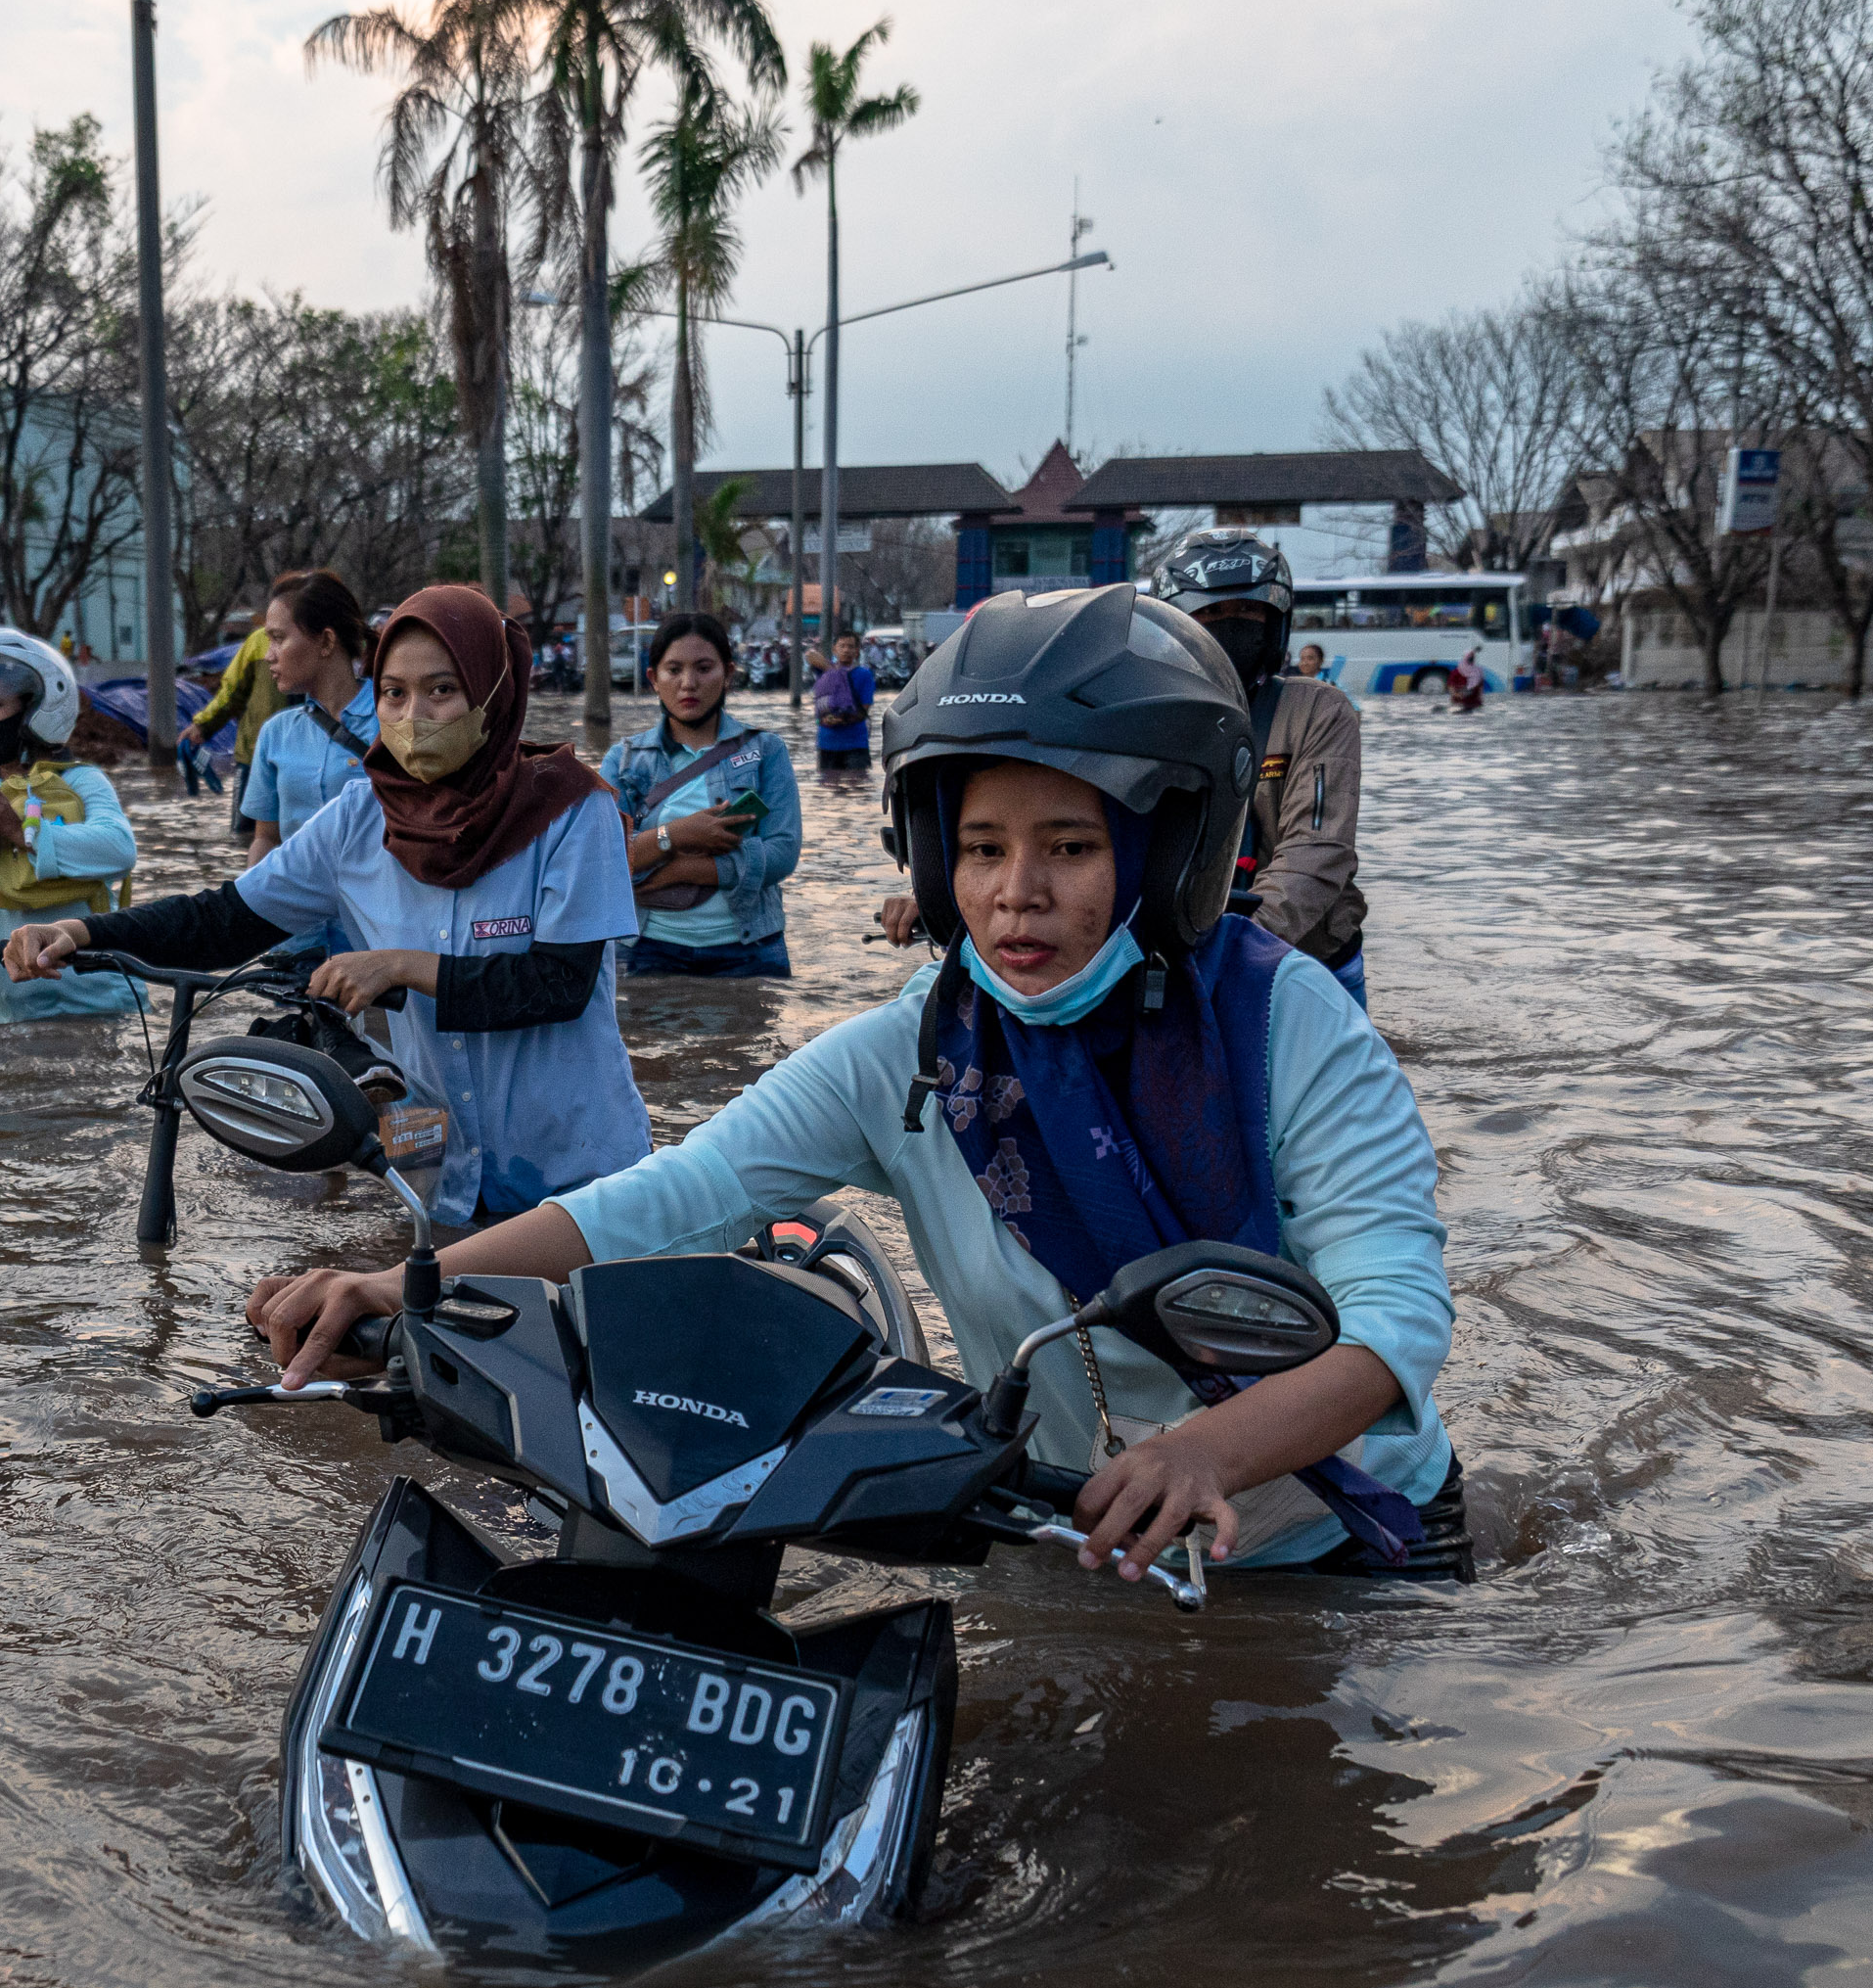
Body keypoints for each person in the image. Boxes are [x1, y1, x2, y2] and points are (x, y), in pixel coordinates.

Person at [246, 583, 1463, 1586]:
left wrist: (1211, 1450)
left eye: (1072, 849)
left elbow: (1395, 1323)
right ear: (934, 861)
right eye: (981, 849)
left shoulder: (1287, 1026)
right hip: (1068, 1525)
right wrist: (403, 1286)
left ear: (1165, 853)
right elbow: (682, 1192)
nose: (1013, 894)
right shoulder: (918, 1048)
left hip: (1338, 1544)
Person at [0, 581, 652, 1227]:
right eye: (394, 692)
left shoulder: (574, 809)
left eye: (442, 690)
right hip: (446, 1182)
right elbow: (223, 919)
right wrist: (79, 931)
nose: (412, 715)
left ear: (493, 692)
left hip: (583, 1178)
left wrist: (397, 966)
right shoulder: (359, 818)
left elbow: (557, 984)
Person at [1152, 530, 1371, 1007]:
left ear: (1275, 624)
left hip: (1309, 963)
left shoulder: (1320, 710)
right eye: (1210, 614)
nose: (1230, 626)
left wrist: (1238, 947)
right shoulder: (1150, 716)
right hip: (1185, 957)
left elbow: (1316, 850)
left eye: (1248, 612)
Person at [0, 626, 145, 1022]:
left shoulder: (82, 780)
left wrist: (20, 831)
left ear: (37, 708)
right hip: (9, 1012)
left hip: (101, 1005)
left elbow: (119, 849)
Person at [599, 610, 801, 979]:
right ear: (653, 680)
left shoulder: (766, 751)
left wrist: (688, 868)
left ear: (728, 675)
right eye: (673, 670)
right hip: (646, 948)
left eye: (704, 668)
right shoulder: (623, 761)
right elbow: (602, 857)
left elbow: (783, 852)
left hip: (750, 949)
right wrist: (678, 835)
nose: (688, 683)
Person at [238, 571, 379, 866]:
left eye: (278, 639)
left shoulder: (393, 721)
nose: (268, 655)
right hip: (300, 910)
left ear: (326, 641)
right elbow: (266, 838)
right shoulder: (275, 733)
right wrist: (248, 907)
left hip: (379, 909)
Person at [183, 614, 284, 802]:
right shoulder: (257, 641)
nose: (272, 656)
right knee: (246, 828)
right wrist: (204, 726)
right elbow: (232, 693)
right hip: (255, 756)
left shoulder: (331, 640)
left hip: (281, 757)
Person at [811, 629, 877, 771]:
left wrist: (840, 719)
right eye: (842, 646)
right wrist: (835, 671)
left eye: (851, 646)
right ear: (834, 649)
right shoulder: (825, 672)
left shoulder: (864, 675)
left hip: (855, 743)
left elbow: (864, 708)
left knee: (857, 785)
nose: (846, 650)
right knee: (828, 786)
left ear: (857, 651)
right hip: (827, 742)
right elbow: (810, 655)